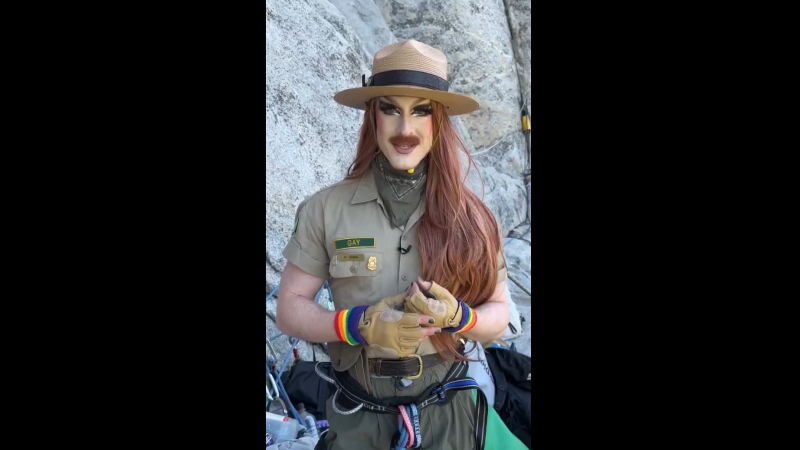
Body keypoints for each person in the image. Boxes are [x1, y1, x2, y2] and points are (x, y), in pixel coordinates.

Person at [276, 40, 513, 450]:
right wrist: (355, 324)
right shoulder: (324, 209)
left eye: (421, 110)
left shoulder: (473, 217)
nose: (405, 129)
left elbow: (500, 314)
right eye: (390, 109)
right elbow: (289, 307)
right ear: (373, 116)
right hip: (358, 417)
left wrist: (460, 317)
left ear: (440, 120)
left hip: (449, 416)